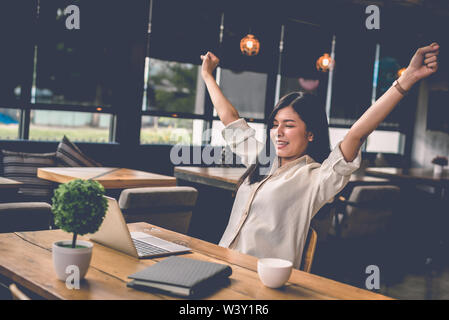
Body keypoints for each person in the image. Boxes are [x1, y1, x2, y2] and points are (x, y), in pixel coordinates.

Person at [200, 43, 439, 269]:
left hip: (261, 282)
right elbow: (229, 118)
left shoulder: (317, 178)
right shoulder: (262, 161)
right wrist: (208, 76)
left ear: (311, 133)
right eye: (274, 124)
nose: (278, 132)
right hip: (223, 264)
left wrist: (406, 79)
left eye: (289, 125)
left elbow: (356, 134)